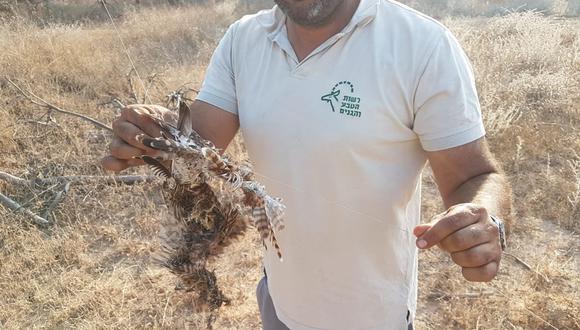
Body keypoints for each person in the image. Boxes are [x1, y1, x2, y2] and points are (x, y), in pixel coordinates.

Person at [102, 0, 512, 329]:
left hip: (371, 314)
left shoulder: (421, 45)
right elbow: (201, 146)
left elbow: (475, 175)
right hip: (279, 299)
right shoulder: (243, 40)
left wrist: (485, 219)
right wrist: (156, 135)